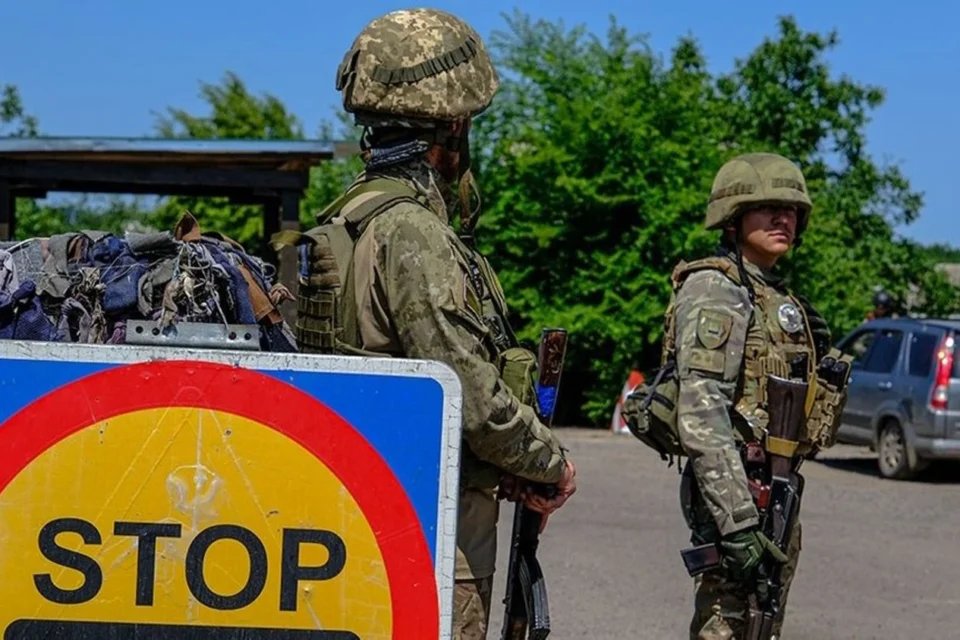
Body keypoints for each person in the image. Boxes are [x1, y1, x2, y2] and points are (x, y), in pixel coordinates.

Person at [274, 9, 576, 639]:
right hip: (436, 542)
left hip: (361, 522)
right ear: (456, 125)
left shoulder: (351, 213)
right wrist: (550, 462)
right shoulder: (413, 230)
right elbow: (469, 394)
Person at [665, 153, 844, 639]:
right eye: (767, 208)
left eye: (791, 211)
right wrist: (738, 521)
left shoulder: (771, 294)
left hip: (776, 490)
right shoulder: (716, 289)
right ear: (733, 217)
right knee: (726, 625)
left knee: (761, 627)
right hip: (739, 493)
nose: (783, 219)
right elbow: (701, 412)